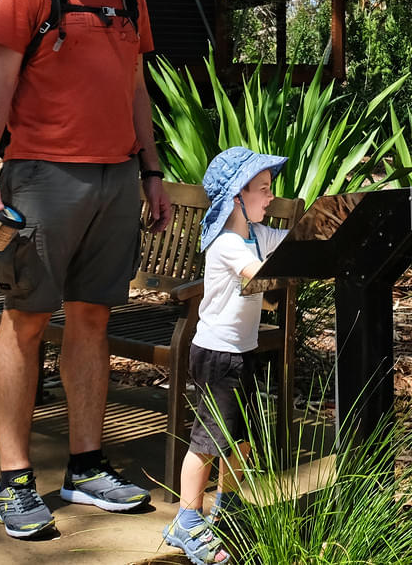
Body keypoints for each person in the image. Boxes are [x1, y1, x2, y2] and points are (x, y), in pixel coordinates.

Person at [0, 0, 176, 540]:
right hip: (42, 176)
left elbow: (135, 87)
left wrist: (152, 168)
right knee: (25, 318)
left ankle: (86, 466)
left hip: (117, 179)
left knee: (91, 319)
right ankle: (15, 478)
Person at [161, 146, 290, 565]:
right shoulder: (227, 244)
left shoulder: (256, 234)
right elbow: (261, 274)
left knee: (243, 441)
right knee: (207, 443)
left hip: (244, 352)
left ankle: (227, 508)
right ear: (237, 196)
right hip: (217, 356)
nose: (271, 197)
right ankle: (186, 519)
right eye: (263, 189)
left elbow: (292, 244)